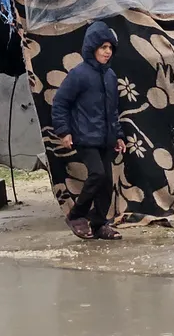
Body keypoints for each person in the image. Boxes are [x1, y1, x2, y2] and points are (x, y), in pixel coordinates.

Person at [53, 21, 126, 241]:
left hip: (105, 138)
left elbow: (113, 110)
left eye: (110, 48)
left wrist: (118, 135)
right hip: (84, 137)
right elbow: (60, 103)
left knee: (106, 184)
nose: (107, 51)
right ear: (92, 47)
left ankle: (98, 224)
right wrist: (64, 131)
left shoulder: (111, 76)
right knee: (98, 174)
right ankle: (76, 216)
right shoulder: (79, 74)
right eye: (103, 47)